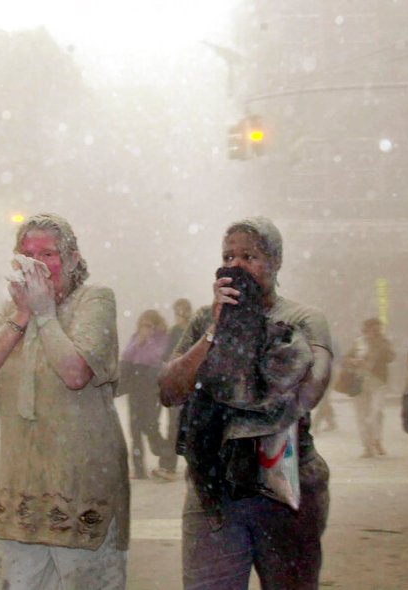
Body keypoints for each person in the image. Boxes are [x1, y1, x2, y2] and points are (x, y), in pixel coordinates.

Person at [159, 216, 332, 590]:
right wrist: (215, 333)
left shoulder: (303, 318)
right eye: (228, 256)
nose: (236, 265)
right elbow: (169, 390)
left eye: (249, 256)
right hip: (214, 496)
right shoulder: (206, 320)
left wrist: (255, 334)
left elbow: (311, 390)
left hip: (285, 491)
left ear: (276, 262)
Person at [0, 213, 129, 590]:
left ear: (72, 259)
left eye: (49, 255)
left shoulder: (95, 299)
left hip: (82, 490)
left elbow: (75, 373)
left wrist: (45, 314)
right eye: (27, 255)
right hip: (19, 492)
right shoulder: (10, 311)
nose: (37, 265)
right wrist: (23, 314)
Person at [119, 309, 170, 480]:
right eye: (143, 325)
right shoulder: (136, 337)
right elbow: (125, 356)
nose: (145, 328)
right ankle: (139, 468)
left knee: (150, 425)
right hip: (135, 384)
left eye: (149, 325)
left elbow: (157, 357)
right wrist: (138, 341)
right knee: (134, 429)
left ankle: (165, 454)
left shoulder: (162, 338)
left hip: (152, 385)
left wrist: (149, 341)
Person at [152, 298, 193, 482]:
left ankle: (171, 465)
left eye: (180, 311)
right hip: (183, 385)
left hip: (183, 385)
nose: (178, 315)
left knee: (177, 427)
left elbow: (167, 356)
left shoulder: (184, 330)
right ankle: (171, 464)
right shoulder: (187, 329)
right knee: (179, 426)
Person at [345, 318, 395, 457]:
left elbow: (391, 357)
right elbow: (346, 358)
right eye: (373, 329)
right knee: (361, 415)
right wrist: (354, 361)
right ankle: (367, 446)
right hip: (360, 382)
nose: (376, 332)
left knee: (375, 413)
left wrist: (381, 347)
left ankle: (377, 440)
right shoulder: (358, 342)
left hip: (378, 383)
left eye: (378, 329)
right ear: (366, 330)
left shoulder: (384, 342)